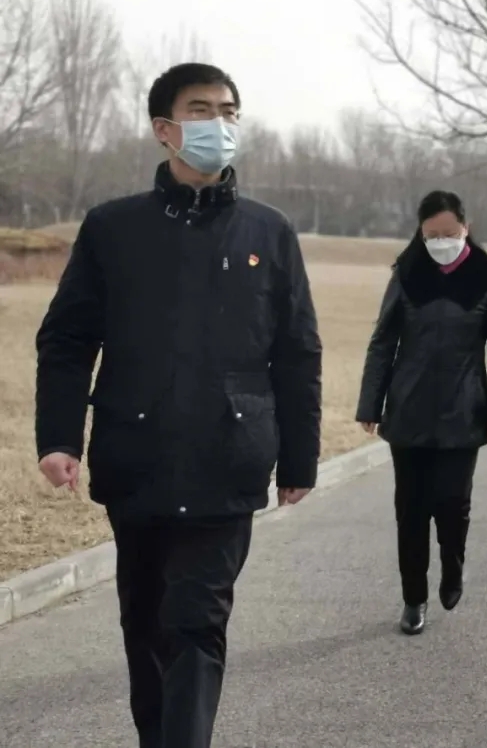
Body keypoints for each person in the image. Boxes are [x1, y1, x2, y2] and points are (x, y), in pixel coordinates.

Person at [34, 63, 322, 748]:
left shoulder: (269, 232)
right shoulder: (113, 228)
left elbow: (297, 351)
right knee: (145, 627)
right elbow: (68, 339)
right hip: (137, 457)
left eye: (230, 111)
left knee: (196, 624)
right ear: (164, 129)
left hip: (229, 458)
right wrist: (59, 438)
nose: (220, 123)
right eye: (202, 110)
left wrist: (300, 458)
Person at [356, 190, 487, 636]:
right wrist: (370, 404)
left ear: (465, 227)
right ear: (421, 233)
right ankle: (413, 598)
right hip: (408, 411)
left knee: (452, 505)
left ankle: (452, 567)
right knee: (410, 510)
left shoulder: (486, 276)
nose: (441, 241)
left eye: (449, 232)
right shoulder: (407, 274)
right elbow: (382, 342)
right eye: (432, 235)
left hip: (464, 412)